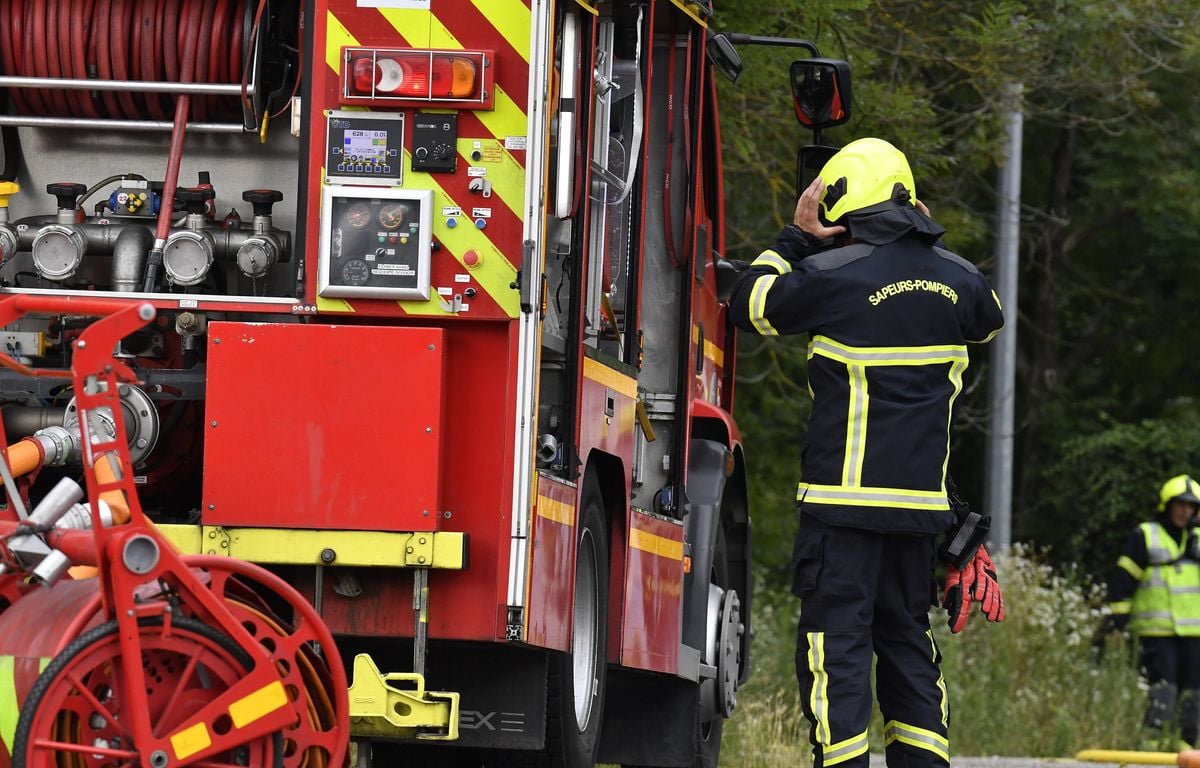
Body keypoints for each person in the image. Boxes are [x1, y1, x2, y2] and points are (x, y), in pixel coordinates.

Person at [728, 137, 1005, 768]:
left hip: (842, 510)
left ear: (841, 207)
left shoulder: (829, 278)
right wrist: (923, 241)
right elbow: (986, 316)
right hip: (919, 514)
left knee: (838, 650)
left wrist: (796, 238)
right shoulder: (961, 283)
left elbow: (747, 301)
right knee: (908, 643)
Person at [1107, 474, 1200, 749]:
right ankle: (1154, 741)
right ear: (1167, 505)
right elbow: (1124, 580)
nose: (1185, 511)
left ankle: (1186, 742)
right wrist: (1117, 623)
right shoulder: (1146, 535)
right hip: (1156, 629)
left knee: (1194, 690)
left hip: (1194, 629)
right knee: (1164, 686)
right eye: (1180, 504)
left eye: (1191, 506)